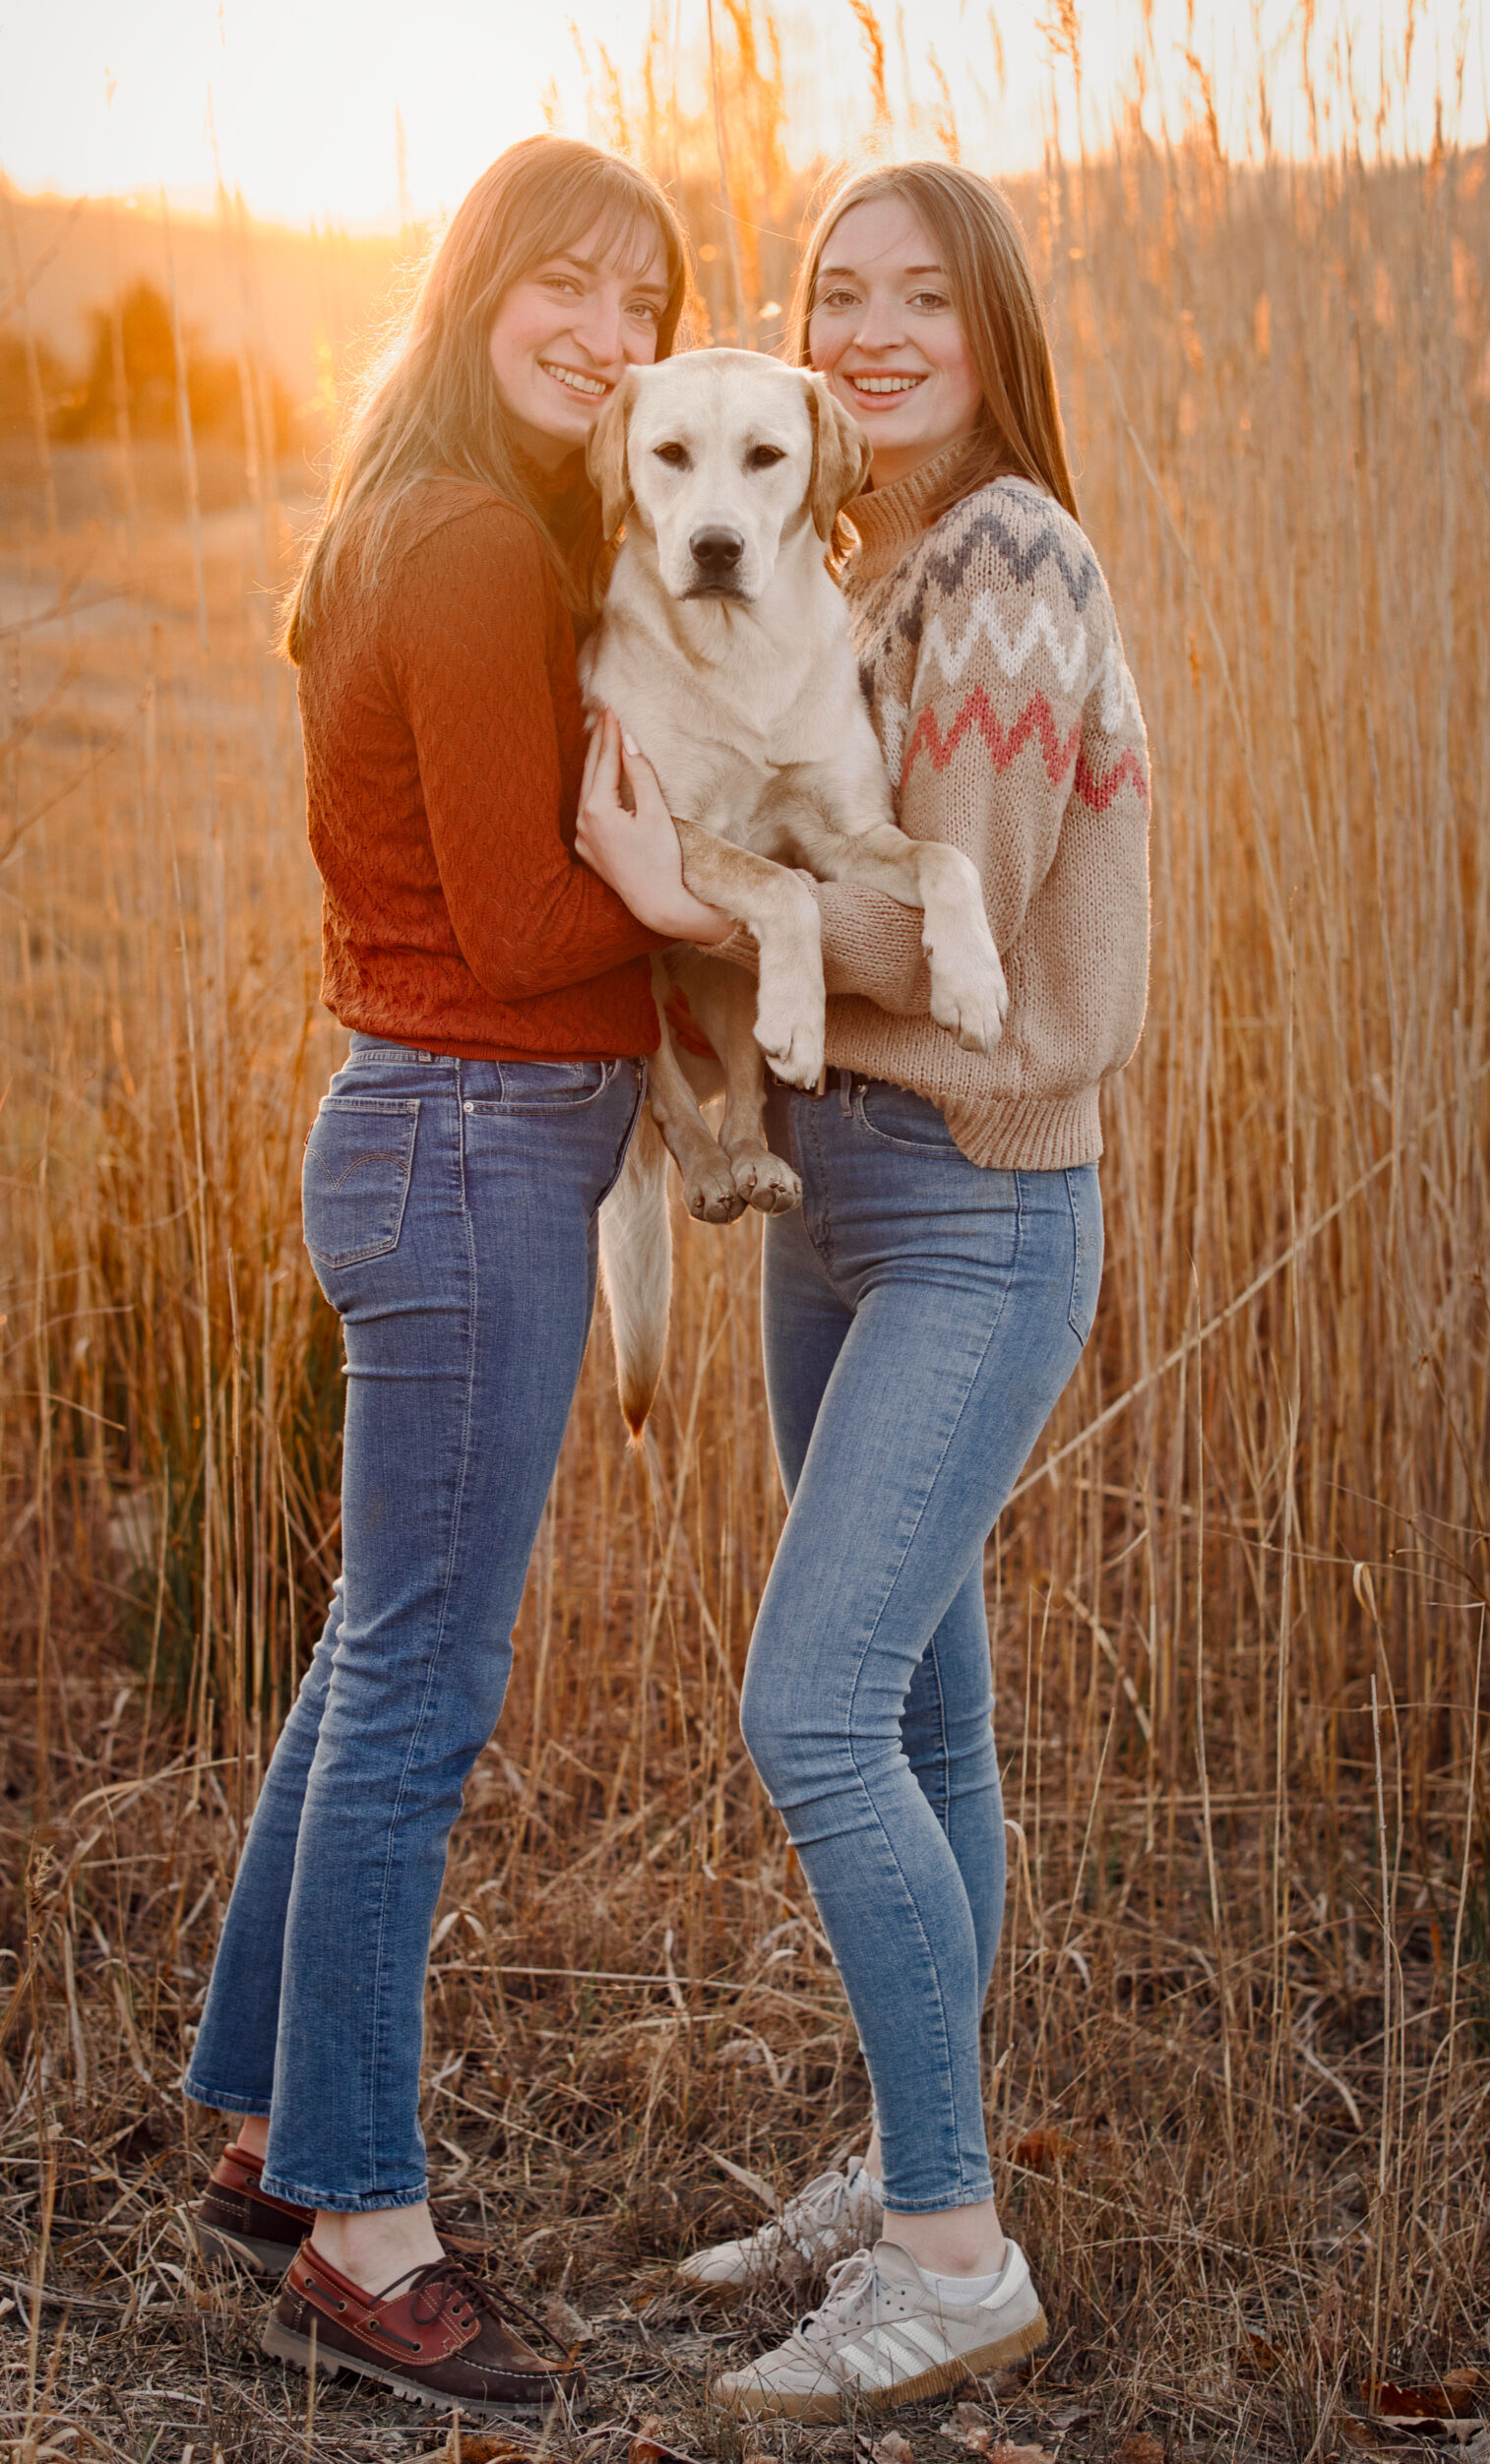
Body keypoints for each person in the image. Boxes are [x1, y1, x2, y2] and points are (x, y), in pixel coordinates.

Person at [579, 160, 1150, 2419]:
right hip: (836, 1199)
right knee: (923, 1720)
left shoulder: (1007, 553)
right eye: (844, 296)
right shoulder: (849, 557)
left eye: (924, 296)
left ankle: (945, 2252)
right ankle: (898, 2156)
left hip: (975, 1204)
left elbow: (959, 926)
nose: (879, 329)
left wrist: (685, 900)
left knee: (808, 1704)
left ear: (989, 325)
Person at [181, 136, 729, 2421]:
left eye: (646, 300)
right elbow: (528, 924)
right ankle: (358, 2215)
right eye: (569, 288)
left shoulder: (408, 506)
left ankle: (261, 2115)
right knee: (420, 1688)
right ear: (484, 280)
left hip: (420, 1132)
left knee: (367, 1658)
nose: (607, 335)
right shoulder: (485, 535)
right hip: (475, 1149)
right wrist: (704, 893)